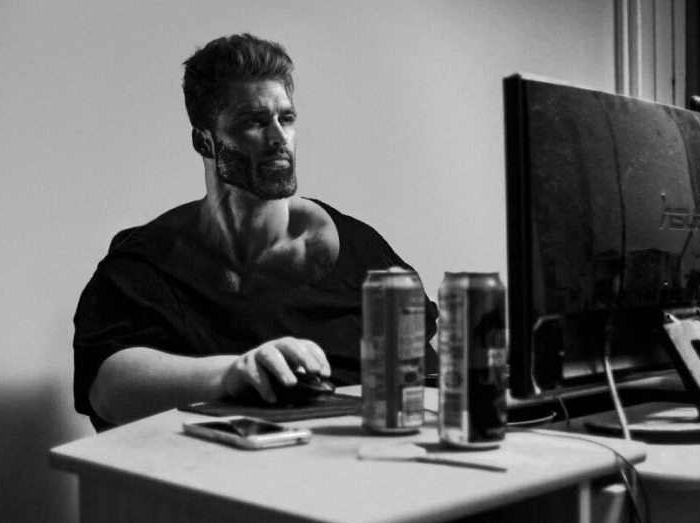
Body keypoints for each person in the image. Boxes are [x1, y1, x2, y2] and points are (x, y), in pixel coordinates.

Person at [73, 34, 437, 431]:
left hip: (369, 451)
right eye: (254, 122)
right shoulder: (147, 265)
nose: (279, 137)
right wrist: (232, 374)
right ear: (204, 142)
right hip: (226, 462)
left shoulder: (357, 249)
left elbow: (424, 365)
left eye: (287, 119)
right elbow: (106, 388)